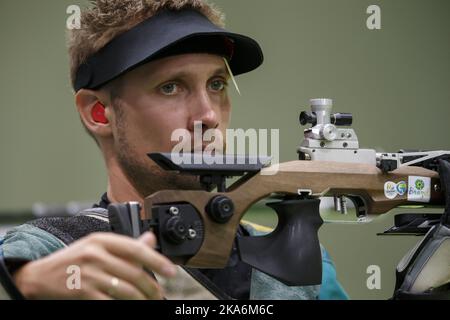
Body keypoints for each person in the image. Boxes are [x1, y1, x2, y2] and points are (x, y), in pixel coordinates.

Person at [0, 0, 348, 300]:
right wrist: (23, 283)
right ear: (97, 112)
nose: (208, 115)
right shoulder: (46, 253)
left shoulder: (294, 262)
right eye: (170, 87)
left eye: (216, 84)